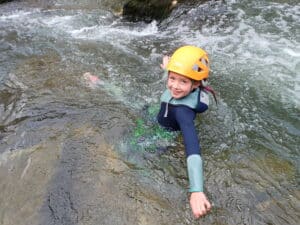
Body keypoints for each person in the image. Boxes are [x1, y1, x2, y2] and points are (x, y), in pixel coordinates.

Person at [157, 45, 216, 219]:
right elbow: (177, 78)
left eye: (183, 81)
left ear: (196, 83)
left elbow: (193, 148)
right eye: (172, 78)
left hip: (166, 136)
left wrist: (197, 190)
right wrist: (169, 67)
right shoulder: (190, 87)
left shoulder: (183, 112)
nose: (174, 86)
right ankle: (100, 83)